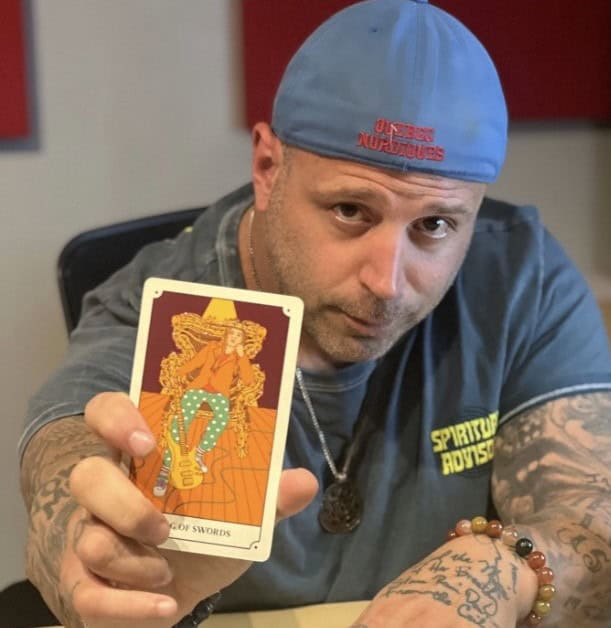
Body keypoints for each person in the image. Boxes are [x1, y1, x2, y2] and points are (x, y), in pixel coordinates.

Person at [19, 0, 611, 627]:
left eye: (435, 225)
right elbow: (66, 463)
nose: (387, 282)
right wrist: (97, 560)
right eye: (350, 211)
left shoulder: (521, 280)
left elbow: (591, 515)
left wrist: (506, 567)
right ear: (268, 169)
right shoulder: (164, 310)